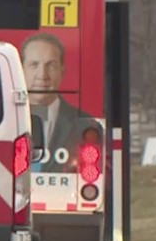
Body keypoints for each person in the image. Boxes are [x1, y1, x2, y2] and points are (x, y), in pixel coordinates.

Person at [20, 33, 99, 173]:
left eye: (51, 66)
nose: (42, 76)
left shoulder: (87, 125)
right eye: (34, 65)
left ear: (62, 71)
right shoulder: (0, 122)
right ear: (21, 69)